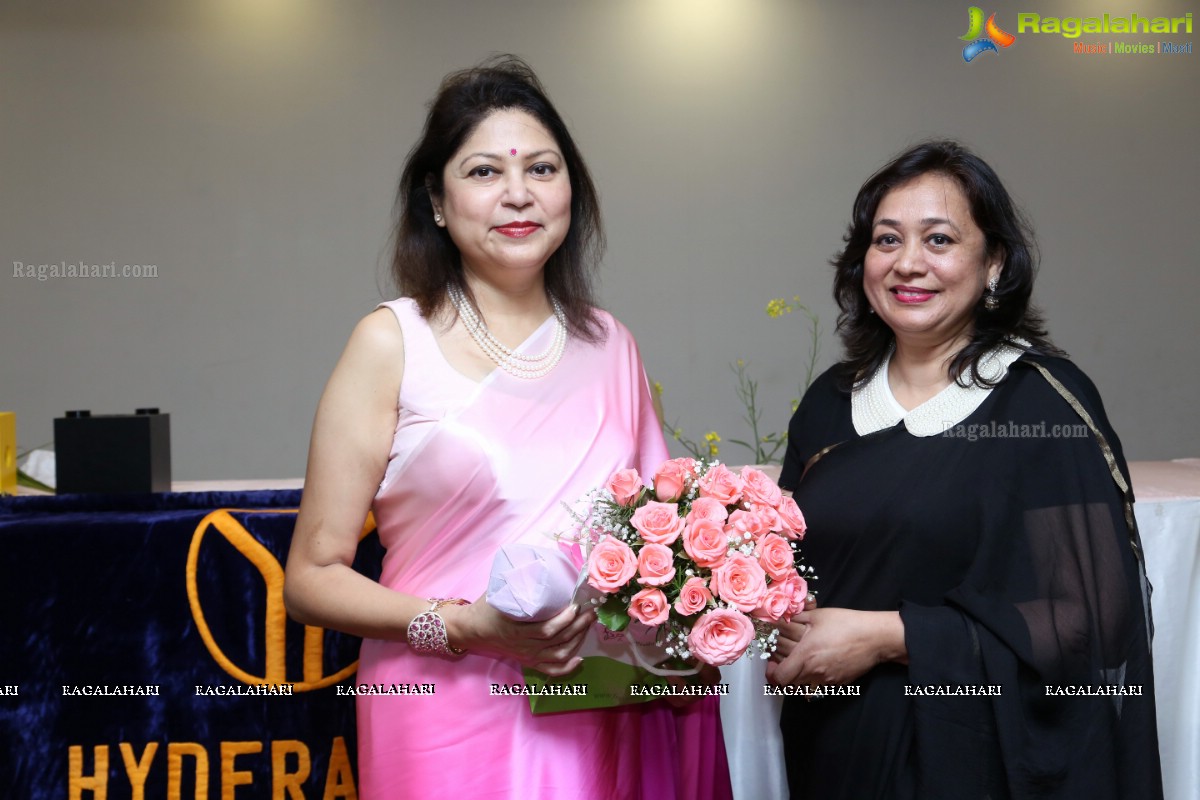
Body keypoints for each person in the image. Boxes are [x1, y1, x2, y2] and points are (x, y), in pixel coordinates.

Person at [283, 56, 731, 799]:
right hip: (438, 700)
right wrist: (465, 628)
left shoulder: (610, 344)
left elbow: (663, 543)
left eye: (543, 170)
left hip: (594, 696)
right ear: (436, 199)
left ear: (571, 192)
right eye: (485, 171)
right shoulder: (392, 342)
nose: (518, 194)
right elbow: (310, 579)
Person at [768, 140, 1162, 799]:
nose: (909, 263)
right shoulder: (830, 403)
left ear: (995, 264)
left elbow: (1094, 619)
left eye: (940, 239)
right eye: (887, 240)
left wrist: (890, 636)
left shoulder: (1039, 401)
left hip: (976, 760)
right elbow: (781, 565)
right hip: (834, 749)